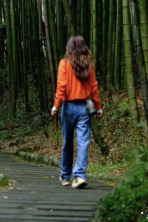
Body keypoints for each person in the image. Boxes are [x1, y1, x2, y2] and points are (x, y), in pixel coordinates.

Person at [51, 35, 103, 189]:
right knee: (83, 143)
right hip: (83, 109)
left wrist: (56, 105)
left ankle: (66, 176)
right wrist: (98, 108)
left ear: (69, 49)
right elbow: (94, 87)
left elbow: (62, 86)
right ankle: (79, 175)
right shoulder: (88, 65)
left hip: (68, 108)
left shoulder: (64, 64)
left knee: (67, 142)